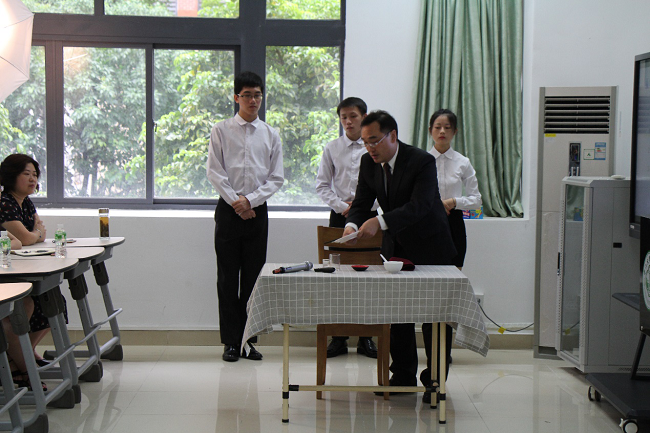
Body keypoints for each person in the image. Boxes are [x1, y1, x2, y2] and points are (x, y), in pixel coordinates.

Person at [342, 110, 456, 401]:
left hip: (431, 247)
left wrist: (379, 222)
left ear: (392, 135)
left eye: (374, 141)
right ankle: (403, 375)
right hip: (397, 249)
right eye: (366, 142)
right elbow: (362, 202)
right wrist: (352, 225)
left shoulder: (421, 161)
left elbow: (420, 206)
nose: (370, 148)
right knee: (398, 311)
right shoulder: (368, 162)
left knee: (435, 317)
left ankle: (435, 381)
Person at [207, 71, 284, 362]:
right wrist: (237, 202)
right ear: (236, 97)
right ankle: (230, 342)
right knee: (228, 278)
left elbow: (276, 177)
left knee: (253, 279)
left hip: (257, 211)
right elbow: (214, 171)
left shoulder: (271, 134)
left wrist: (250, 201)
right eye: (247, 95)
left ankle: (249, 341)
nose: (253, 100)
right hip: (228, 210)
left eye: (258, 95)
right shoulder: (221, 130)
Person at [315, 97, 378, 359]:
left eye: (353, 116)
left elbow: (383, 185)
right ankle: (338, 338)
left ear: (364, 117)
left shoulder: (374, 147)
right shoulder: (332, 147)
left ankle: (366, 338)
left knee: (369, 277)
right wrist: (344, 207)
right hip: (340, 216)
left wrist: (363, 208)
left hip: (370, 217)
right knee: (337, 276)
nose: (348, 122)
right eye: (343, 117)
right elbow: (322, 185)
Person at [0, 153, 52, 390]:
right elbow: (26, 239)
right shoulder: (5, 203)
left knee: (51, 301)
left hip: (17, 270)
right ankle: (23, 366)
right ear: (12, 176)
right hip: (8, 274)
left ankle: (20, 359)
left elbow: (35, 235)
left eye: (34, 175)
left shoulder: (26, 202)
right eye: (26, 174)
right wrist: (34, 235)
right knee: (24, 305)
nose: (33, 179)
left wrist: (34, 235)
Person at [427, 109, 482, 268]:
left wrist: (453, 202)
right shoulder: (422, 161)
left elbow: (476, 200)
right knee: (428, 274)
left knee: (455, 272)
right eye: (437, 127)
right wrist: (436, 205)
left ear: (455, 131)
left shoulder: (463, 162)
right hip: (428, 221)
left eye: (447, 127)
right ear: (430, 130)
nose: (442, 131)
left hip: (453, 221)